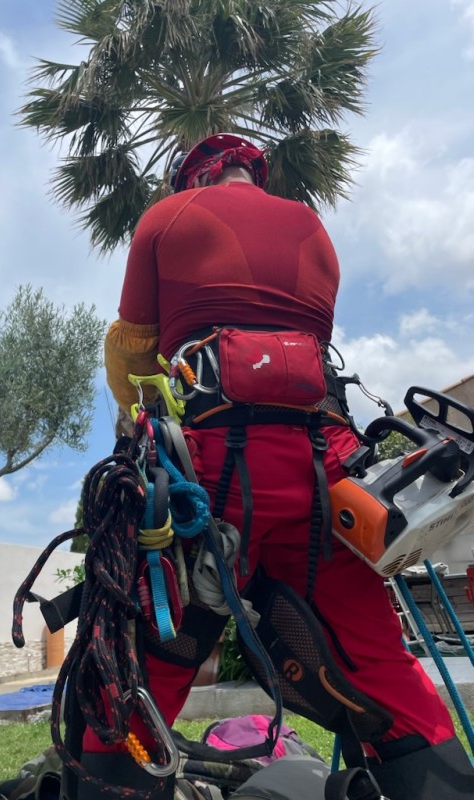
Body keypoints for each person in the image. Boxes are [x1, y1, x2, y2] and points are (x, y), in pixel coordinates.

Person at [90, 133, 473, 799]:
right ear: (254, 174)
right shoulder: (313, 230)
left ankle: (105, 780)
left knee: (150, 666)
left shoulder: (167, 218)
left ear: (192, 178)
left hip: (205, 476)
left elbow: (131, 355)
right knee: (377, 666)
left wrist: (138, 413)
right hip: (324, 472)